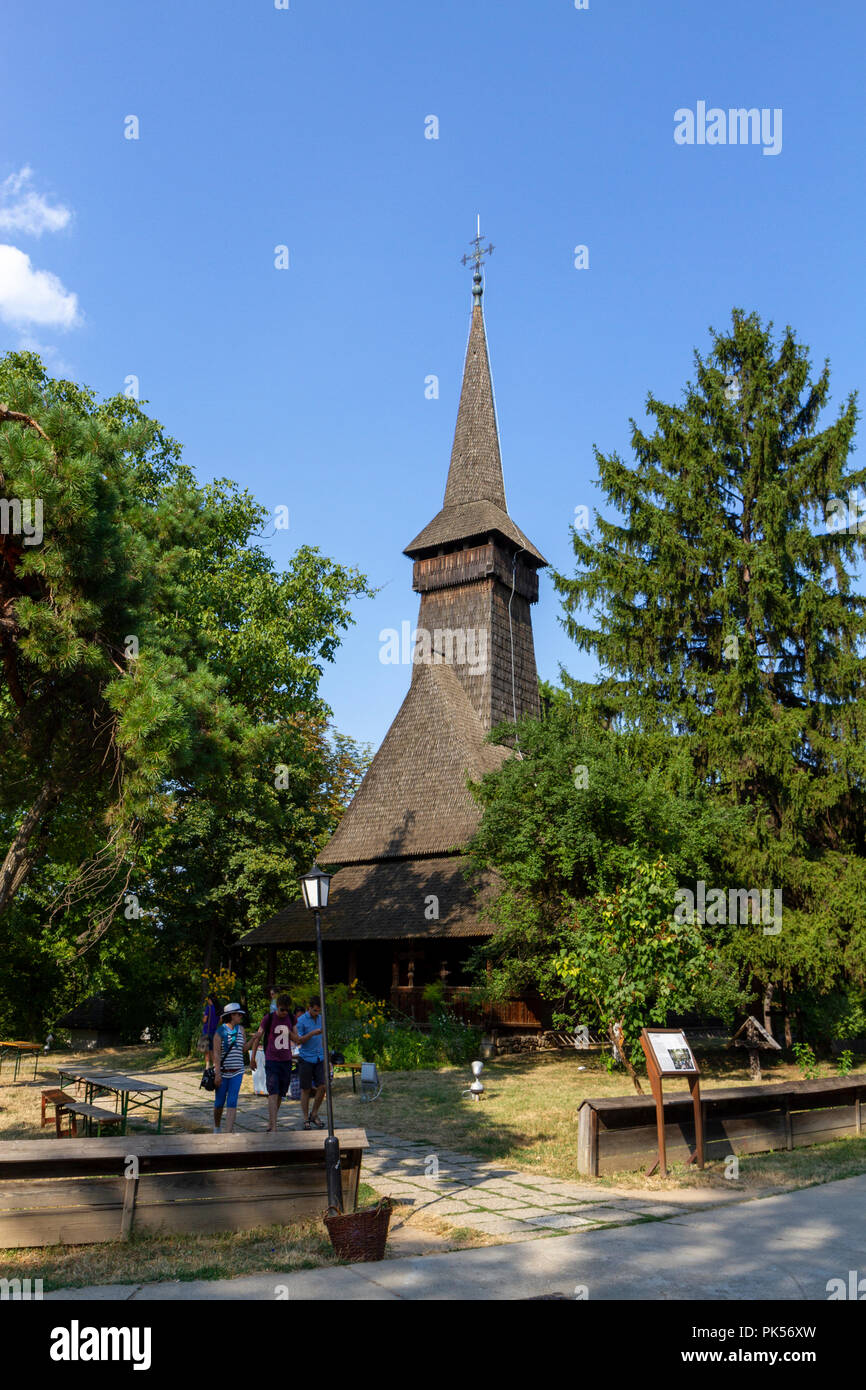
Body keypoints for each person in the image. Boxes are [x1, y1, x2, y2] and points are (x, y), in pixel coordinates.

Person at [249, 994, 297, 1131]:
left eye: (287, 1010)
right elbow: (258, 1037)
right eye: (282, 1009)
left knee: (281, 1093)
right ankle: (274, 1126)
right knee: (273, 1091)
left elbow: (297, 1038)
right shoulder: (268, 1018)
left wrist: (290, 1033)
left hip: (286, 1060)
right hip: (272, 1059)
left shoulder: (291, 1019)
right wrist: (252, 1058)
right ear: (277, 1006)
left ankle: (272, 1120)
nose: (284, 1013)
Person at [213, 1003, 247, 1133]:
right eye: (239, 1014)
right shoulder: (220, 1031)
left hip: (237, 1072)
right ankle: (216, 1127)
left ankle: (228, 1132)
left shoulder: (241, 1030)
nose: (241, 1016)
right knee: (219, 1103)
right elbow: (216, 1053)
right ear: (232, 1015)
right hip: (223, 1073)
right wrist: (217, 1074)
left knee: (232, 1101)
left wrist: (254, 1040)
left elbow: (243, 1049)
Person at [294, 997, 326, 1130]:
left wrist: (327, 1057)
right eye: (314, 1010)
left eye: (318, 1011)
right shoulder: (301, 1021)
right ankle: (306, 1118)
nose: (316, 1013)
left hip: (320, 1057)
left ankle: (314, 1113)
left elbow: (324, 1038)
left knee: (323, 1086)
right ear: (309, 1007)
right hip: (306, 1058)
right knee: (306, 1089)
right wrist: (312, 1033)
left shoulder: (321, 1019)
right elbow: (299, 1040)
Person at [201, 993, 220, 1068]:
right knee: (213, 1049)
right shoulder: (218, 1009)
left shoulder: (208, 1008)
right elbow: (220, 1020)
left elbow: (205, 1020)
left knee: (206, 1050)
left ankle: (207, 1066)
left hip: (206, 1031)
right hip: (214, 1031)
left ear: (209, 1000)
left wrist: (203, 1017)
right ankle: (215, 1065)